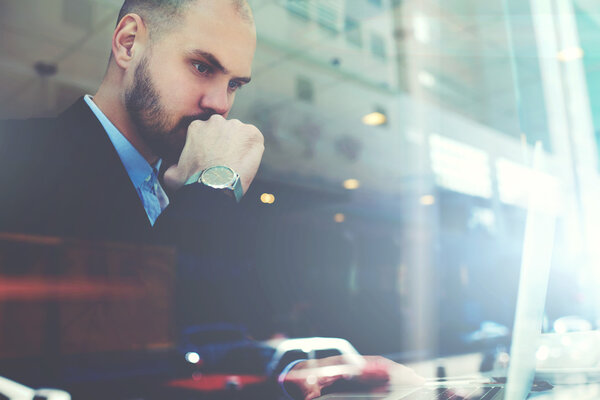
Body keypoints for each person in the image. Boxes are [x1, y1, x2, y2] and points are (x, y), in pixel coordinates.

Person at [0, 0, 423, 398]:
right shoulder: (16, 156)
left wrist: (289, 371)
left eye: (234, 84)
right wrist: (212, 189)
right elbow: (117, 341)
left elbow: (193, 345)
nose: (219, 105)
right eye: (202, 66)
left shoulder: (174, 188)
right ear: (129, 43)